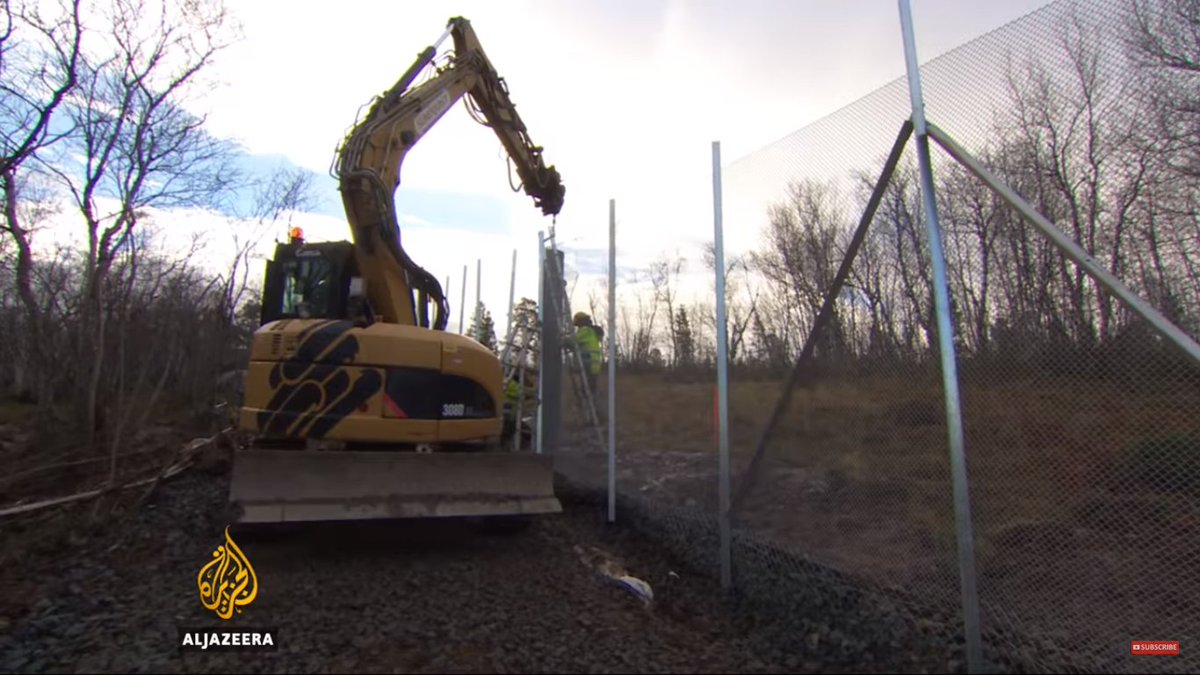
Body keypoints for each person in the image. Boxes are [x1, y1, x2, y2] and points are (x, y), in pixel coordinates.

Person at [572, 311, 604, 395]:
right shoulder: (592, 331)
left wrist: (562, 340)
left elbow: (573, 340)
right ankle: (593, 401)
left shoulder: (585, 330)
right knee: (591, 389)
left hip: (588, 363)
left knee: (586, 390)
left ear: (581, 321)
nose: (577, 326)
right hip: (594, 365)